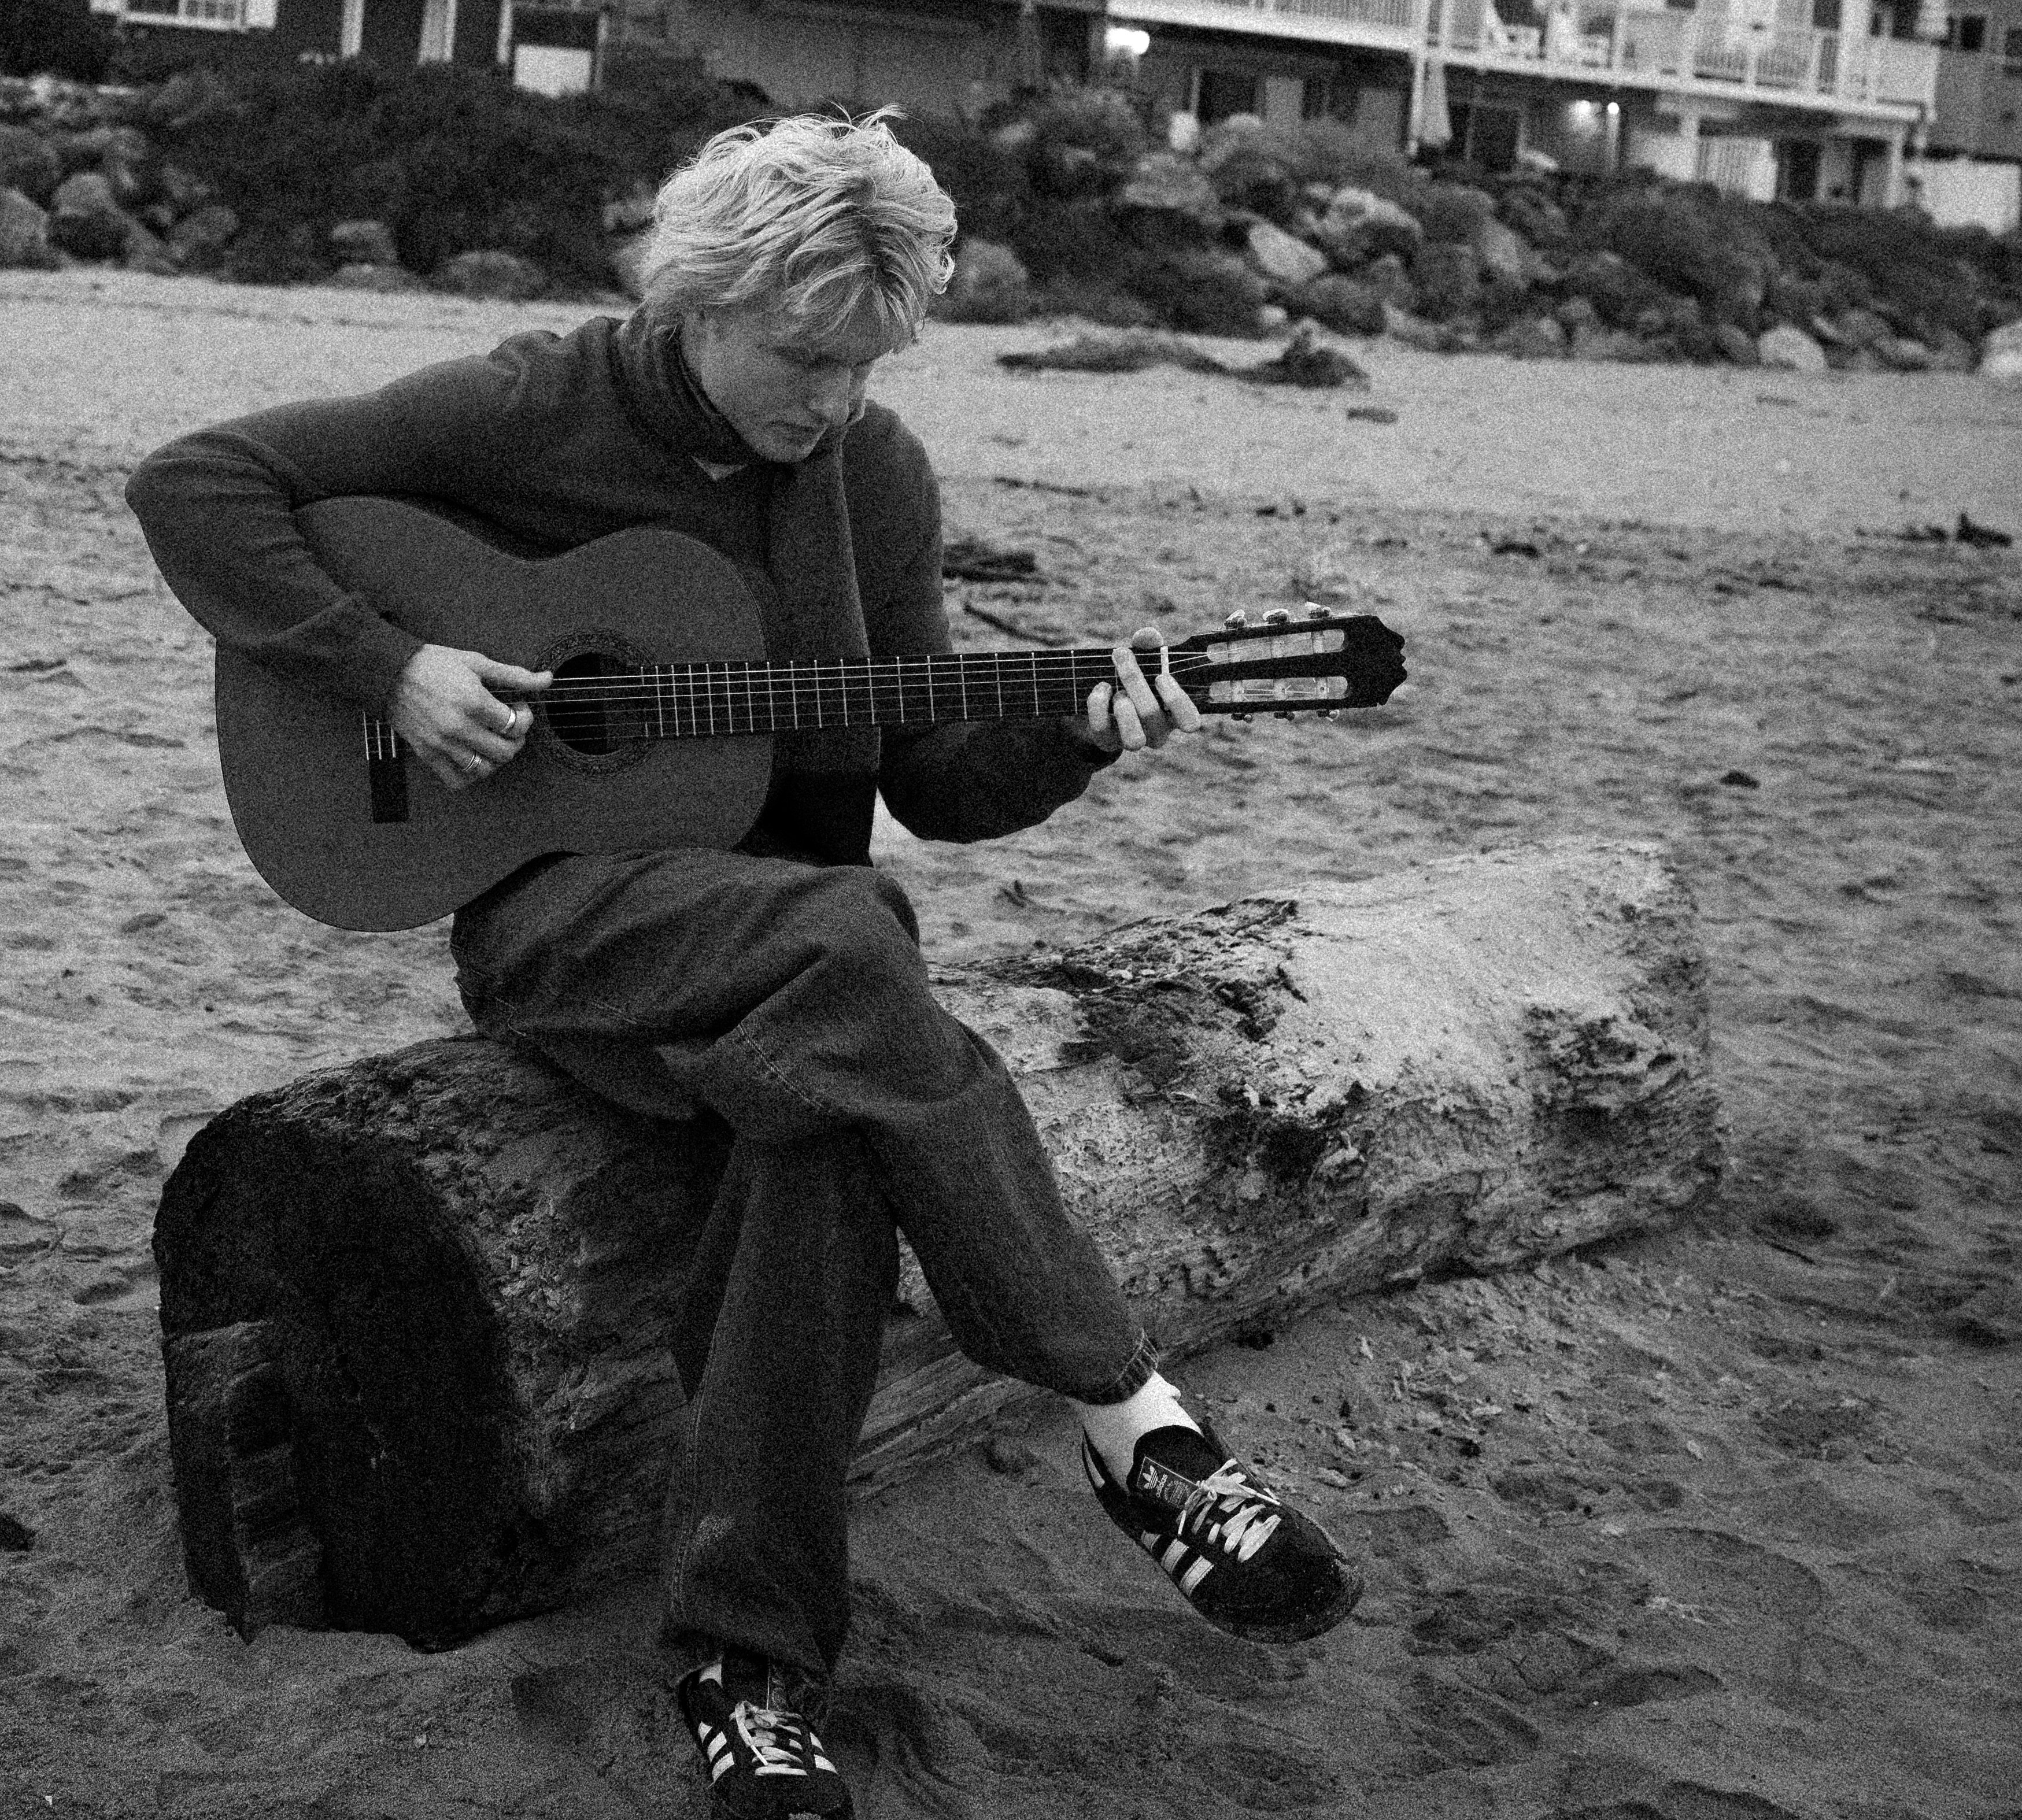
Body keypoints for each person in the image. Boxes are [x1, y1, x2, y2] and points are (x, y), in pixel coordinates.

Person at [127, 112, 1360, 1819]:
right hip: (567, 925)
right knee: (859, 934)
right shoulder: (528, 405)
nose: (833, 401)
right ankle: (1131, 1418)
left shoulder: (872, 476)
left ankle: (746, 1675)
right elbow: (196, 483)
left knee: (819, 1152)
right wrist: (392, 666)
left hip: (794, 976)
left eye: (869, 363)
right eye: (803, 360)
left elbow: (925, 769)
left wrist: (1080, 736)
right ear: (697, 299)